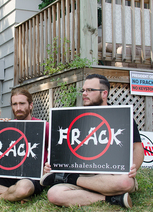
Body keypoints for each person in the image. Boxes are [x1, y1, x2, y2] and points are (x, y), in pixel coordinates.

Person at [41, 74, 144, 208]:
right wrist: (52, 165)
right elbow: (62, 150)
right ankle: (111, 198)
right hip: (83, 174)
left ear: (104, 93)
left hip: (110, 175)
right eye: (83, 90)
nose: (84, 93)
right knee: (54, 194)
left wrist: (133, 167)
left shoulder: (121, 117)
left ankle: (70, 179)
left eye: (89, 90)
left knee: (126, 182)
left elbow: (138, 148)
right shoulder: (75, 118)